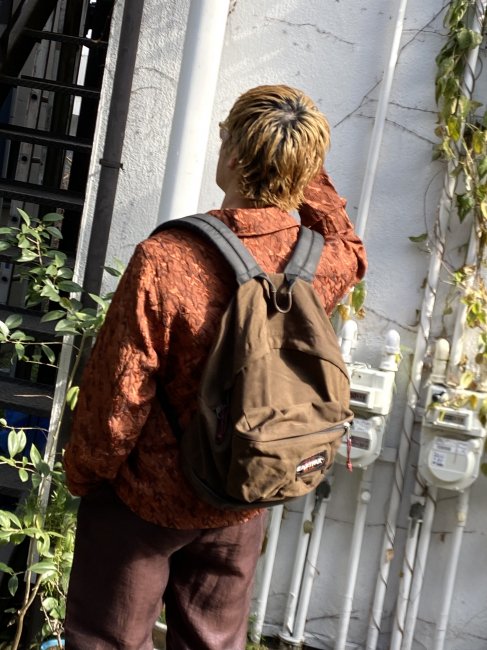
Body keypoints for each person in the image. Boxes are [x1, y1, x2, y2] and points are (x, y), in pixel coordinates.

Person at [63, 84, 367, 650]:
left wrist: (86, 474)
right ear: (304, 167)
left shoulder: (169, 257)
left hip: (145, 502)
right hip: (243, 488)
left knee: (104, 639)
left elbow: (118, 394)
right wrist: (305, 168)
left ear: (231, 155)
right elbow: (350, 239)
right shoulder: (321, 260)